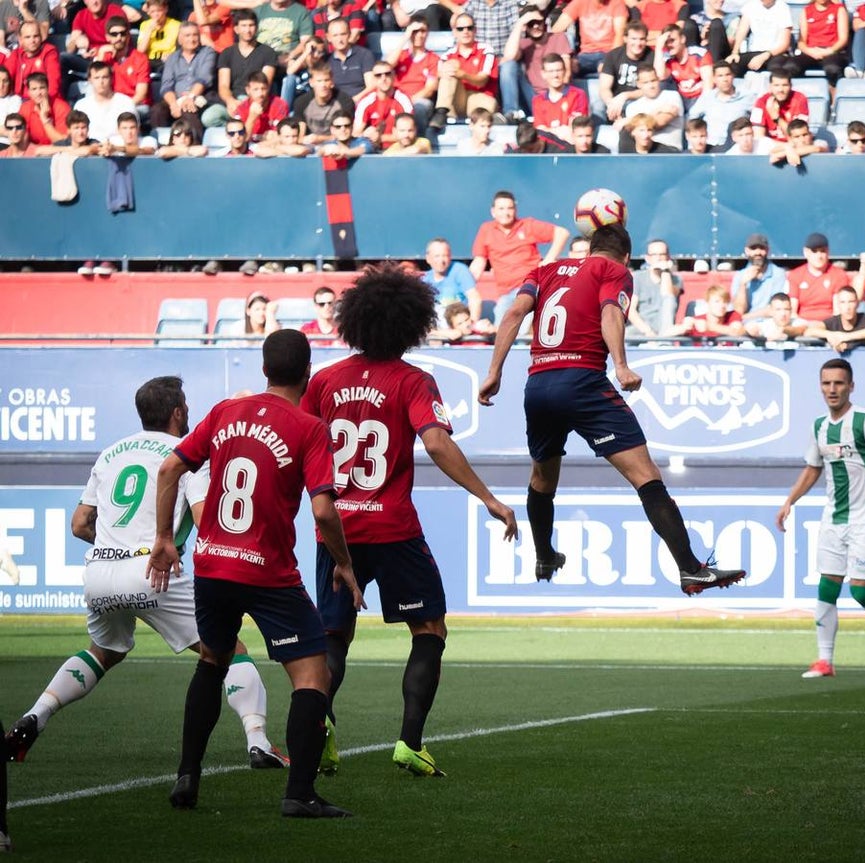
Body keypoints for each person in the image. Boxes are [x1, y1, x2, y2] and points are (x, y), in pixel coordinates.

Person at [3, 376, 288, 770]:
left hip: (100, 572)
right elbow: (207, 520)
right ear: (177, 412)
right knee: (228, 650)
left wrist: (116, 550)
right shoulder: (187, 454)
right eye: (185, 405)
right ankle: (258, 741)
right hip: (153, 570)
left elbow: (80, 523)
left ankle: (37, 715)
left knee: (103, 651)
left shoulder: (111, 452)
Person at [300, 267, 517, 778]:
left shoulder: (325, 381)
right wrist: (487, 497)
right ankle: (410, 744)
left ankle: (321, 732)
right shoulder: (414, 380)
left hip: (335, 529)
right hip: (392, 529)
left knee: (334, 637)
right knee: (429, 627)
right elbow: (437, 442)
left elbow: (300, 447)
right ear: (410, 325)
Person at [149, 331, 363, 817]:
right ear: (307, 372)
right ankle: (300, 794)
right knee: (313, 675)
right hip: (267, 570)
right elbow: (325, 511)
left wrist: (165, 538)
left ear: (264, 369)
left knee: (212, 660)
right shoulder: (309, 426)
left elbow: (169, 470)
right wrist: (345, 562)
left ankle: (188, 774)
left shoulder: (225, 412)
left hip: (213, 563)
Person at [478, 223, 746, 595]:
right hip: (583, 382)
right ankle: (690, 568)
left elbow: (511, 315)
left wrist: (493, 372)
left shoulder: (544, 271)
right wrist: (620, 364)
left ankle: (543, 554)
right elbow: (610, 313)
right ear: (626, 255)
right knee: (646, 478)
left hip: (538, 384)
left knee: (542, 478)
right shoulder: (614, 271)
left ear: (589, 249)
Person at [776, 358, 865, 678]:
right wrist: (789, 501)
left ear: (851, 386)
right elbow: (813, 468)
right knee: (827, 587)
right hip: (833, 519)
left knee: (862, 591)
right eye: (826, 383)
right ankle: (825, 660)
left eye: (839, 383)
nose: (832, 389)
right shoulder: (819, 426)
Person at [470, 189, 570, 324]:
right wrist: (466, 287)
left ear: (515, 210)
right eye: (501, 208)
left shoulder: (527, 225)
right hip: (506, 294)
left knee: (523, 327)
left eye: (510, 208)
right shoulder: (486, 230)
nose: (506, 212)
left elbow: (562, 233)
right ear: (493, 212)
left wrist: (548, 260)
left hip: (530, 287)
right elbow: (479, 262)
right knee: (502, 328)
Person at [426, 13, 498, 133]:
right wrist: (445, 74)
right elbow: (438, 79)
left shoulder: (486, 50)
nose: (465, 31)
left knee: (488, 107)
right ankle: (441, 111)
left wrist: (463, 75)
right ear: (454, 32)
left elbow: (483, 80)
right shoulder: (446, 56)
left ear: (475, 30)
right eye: (460, 29)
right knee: (451, 65)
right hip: (455, 100)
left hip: (480, 96)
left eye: (469, 28)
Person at [500, 6, 572, 121]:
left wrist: (555, 98)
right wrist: (519, 24)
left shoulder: (558, 37)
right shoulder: (524, 43)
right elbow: (509, 57)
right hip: (531, 95)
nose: (535, 26)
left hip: (555, 94)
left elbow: (566, 74)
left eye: (538, 22)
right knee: (508, 66)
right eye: (530, 23)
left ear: (544, 22)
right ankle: (511, 113)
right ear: (525, 27)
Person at [216, 9, 278, 119]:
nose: (248, 30)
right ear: (236, 29)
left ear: (256, 27)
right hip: (232, 100)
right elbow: (223, 86)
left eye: (251, 25)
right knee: (209, 117)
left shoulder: (268, 52)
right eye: (244, 26)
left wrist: (244, 105)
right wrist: (230, 101)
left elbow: (264, 84)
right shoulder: (227, 53)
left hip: (256, 100)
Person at [550, 0, 628, 78]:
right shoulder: (580, 2)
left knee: (607, 71)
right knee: (567, 69)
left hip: (608, 53)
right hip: (585, 55)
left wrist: (610, 60)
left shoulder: (617, 3)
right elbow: (557, 30)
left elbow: (620, 34)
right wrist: (569, 58)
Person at [788, 231, 852, 324]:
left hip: (829, 324)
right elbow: (792, 311)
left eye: (823, 251)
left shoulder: (838, 275)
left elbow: (837, 311)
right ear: (806, 252)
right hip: (802, 323)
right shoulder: (795, 275)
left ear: (828, 252)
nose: (819, 256)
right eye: (814, 251)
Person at [686, 60, 752, 148]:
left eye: (727, 75)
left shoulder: (747, 97)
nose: (724, 79)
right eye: (720, 76)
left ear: (733, 76)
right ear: (714, 79)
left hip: (736, 147)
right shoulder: (707, 97)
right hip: (711, 146)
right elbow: (692, 119)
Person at [804, 285, 865, 351]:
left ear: (857, 303)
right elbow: (809, 331)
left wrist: (846, 337)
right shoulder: (834, 321)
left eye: (851, 302)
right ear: (838, 305)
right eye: (843, 302)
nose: (847, 307)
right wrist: (832, 336)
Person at [627, 237, 682, 337]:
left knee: (669, 300)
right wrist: (647, 331)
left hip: (666, 328)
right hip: (642, 328)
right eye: (654, 254)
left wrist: (665, 271)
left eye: (662, 254)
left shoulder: (676, 280)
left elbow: (668, 298)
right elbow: (631, 310)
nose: (659, 258)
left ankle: (664, 343)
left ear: (668, 257)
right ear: (648, 258)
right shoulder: (637, 277)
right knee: (623, 335)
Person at [353, 60, 414, 150]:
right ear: (373, 79)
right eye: (378, 75)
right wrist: (366, 135)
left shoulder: (403, 99)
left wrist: (380, 137)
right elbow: (355, 133)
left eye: (387, 74)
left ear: (394, 76)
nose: (383, 78)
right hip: (372, 149)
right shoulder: (366, 101)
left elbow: (409, 134)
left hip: (400, 149)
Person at [731, 232, 788, 326]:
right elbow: (739, 311)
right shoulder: (740, 276)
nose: (758, 252)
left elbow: (774, 309)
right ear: (747, 251)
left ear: (767, 250)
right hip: (745, 326)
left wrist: (746, 317)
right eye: (753, 248)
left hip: (770, 324)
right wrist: (743, 285)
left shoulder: (778, 274)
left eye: (761, 248)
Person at [725, 0, 793, 79]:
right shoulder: (750, 6)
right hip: (754, 52)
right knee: (732, 66)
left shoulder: (783, 7)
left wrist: (765, 55)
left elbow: (785, 44)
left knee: (775, 68)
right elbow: (742, 30)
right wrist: (735, 52)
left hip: (775, 53)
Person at [72, 60, 134, 142]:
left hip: (119, 150)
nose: (101, 82)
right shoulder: (81, 106)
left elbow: (133, 134)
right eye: (96, 78)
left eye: (105, 77)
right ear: (90, 80)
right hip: (90, 150)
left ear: (111, 79)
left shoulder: (126, 103)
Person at [667, 283, 745, 340]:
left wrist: (709, 327)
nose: (721, 306)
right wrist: (684, 327)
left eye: (725, 302)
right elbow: (666, 334)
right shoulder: (697, 320)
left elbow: (738, 332)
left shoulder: (733, 316)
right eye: (717, 301)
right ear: (707, 302)